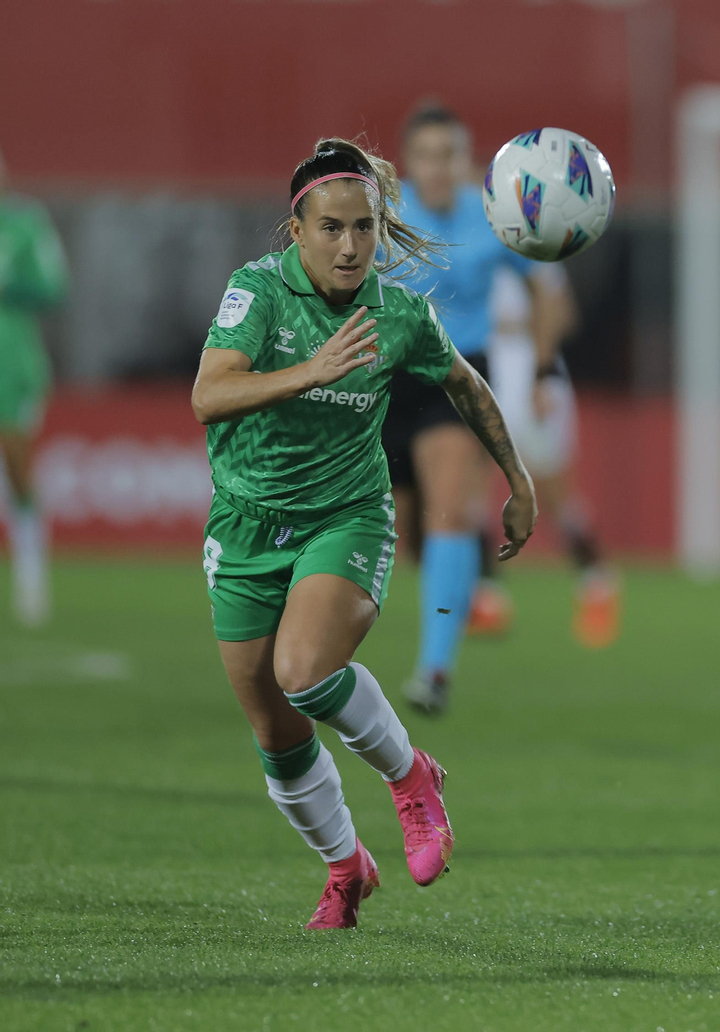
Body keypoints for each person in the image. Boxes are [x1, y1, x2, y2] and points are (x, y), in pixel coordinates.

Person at [191, 138, 536, 929]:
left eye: (364, 229)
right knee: (275, 731)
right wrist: (308, 371)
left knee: (305, 672)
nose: (350, 247)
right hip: (244, 525)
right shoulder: (257, 293)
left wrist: (516, 481)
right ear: (297, 230)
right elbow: (210, 395)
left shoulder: (399, 313)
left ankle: (413, 776)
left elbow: (467, 384)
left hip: (346, 517)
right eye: (332, 229)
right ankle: (346, 867)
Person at [382, 104, 580, 714]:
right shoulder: (380, 215)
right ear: (409, 164)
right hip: (385, 378)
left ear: (467, 162)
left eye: (451, 155)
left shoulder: (496, 215)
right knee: (405, 530)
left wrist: (544, 367)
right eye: (427, 156)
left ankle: (434, 671)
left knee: (448, 509)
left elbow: (551, 295)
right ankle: (456, 593)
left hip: (457, 374)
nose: (439, 168)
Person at [485, 263, 622, 648]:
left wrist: (534, 340)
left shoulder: (535, 243)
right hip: (482, 363)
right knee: (470, 487)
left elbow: (566, 314)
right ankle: (487, 598)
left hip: (532, 366)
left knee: (553, 492)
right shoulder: (463, 233)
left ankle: (597, 582)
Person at [0, 145, 68, 626]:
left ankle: (30, 579)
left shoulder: (24, 221)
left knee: (17, 467)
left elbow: (52, 285)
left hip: (13, 364)